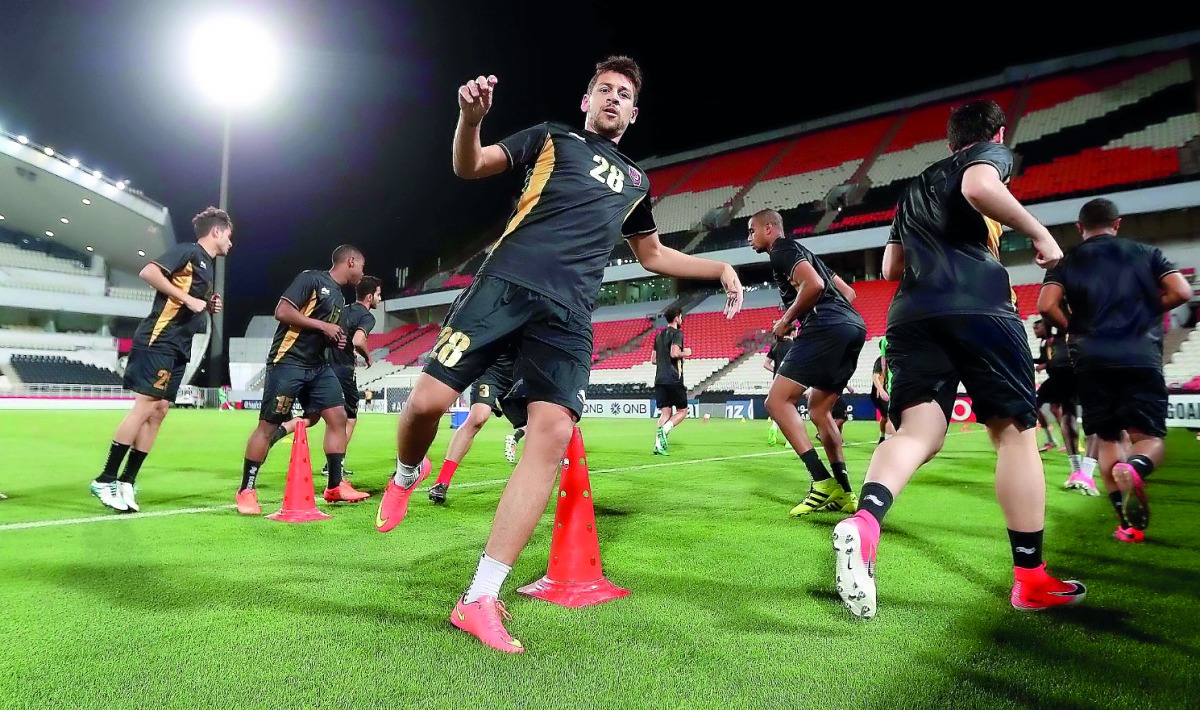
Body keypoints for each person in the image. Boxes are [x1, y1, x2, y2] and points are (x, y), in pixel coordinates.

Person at [375, 57, 743, 653]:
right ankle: (406, 474)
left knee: (550, 435)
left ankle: (480, 598)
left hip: (569, 314)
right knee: (426, 403)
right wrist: (468, 121)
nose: (614, 99)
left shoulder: (637, 183)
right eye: (605, 90)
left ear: (635, 111)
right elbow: (469, 165)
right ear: (586, 99)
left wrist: (719, 265)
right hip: (503, 288)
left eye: (625, 94)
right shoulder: (552, 137)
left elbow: (652, 256)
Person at [831, 100, 1085, 620]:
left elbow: (890, 264)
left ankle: (866, 522)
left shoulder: (914, 187)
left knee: (916, 433)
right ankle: (1030, 578)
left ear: (948, 141)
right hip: (978, 304)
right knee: (1015, 434)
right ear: (994, 133)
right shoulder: (989, 155)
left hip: (911, 315)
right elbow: (978, 188)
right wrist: (1040, 233)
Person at [1038, 198, 1191, 543]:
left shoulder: (1067, 261)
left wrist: (1073, 328)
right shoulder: (1147, 253)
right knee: (1148, 438)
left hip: (1092, 359)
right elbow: (1181, 291)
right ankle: (1135, 467)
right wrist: (1148, 310)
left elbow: (1046, 305)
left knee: (1107, 437)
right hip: (1139, 355)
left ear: (1080, 228)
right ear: (1116, 224)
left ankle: (1128, 525)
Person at [89, 207, 232, 512]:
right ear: (217, 231)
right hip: (159, 339)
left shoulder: (206, 265)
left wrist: (205, 304)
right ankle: (105, 478)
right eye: (229, 236)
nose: (231, 243)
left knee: (160, 409)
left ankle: (127, 480)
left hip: (179, 346)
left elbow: (186, 298)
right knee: (146, 406)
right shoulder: (189, 251)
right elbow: (149, 272)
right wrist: (189, 299)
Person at [748, 209, 865, 517]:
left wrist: (787, 320)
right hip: (853, 326)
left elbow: (812, 285)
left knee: (776, 402)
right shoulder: (808, 252)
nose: (749, 237)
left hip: (826, 328)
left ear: (769, 228)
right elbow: (848, 293)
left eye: (752, 231)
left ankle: (821, 481)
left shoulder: (782, 249)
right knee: (819, 410)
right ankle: (847, 494)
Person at [236, 246, 366, 514]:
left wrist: (336, 337)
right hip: (288, 362)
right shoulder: (312, 279)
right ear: (351, 261)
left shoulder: (340, 297)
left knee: (338, 417)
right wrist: (323, 327)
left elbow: (326, 330)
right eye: (361, 267)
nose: (363, 274)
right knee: (268, 427)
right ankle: (246, 490)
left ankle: (334, 485)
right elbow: (282, 312)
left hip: (317, 366)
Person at [264, 275, 383, 496]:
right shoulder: (366, 316)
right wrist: (368, 356)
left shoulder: (342, 309)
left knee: (314, 416)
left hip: (322, 365)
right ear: (370, 296)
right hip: (342, 371)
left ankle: (281, 431)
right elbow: (358, 340)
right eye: (378, 294)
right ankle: (335, 470)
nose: (379, 298)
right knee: (348, 418)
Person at [428, 349, 526, 505]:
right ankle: (442, 482)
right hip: (491, 371)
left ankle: (561, 469)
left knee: (535, 426)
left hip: (521, 374)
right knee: (478, 417)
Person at [1036, 318, 1093, 493]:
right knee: (1074, 412)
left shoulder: (1060, 335)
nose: (1036, 330)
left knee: (1075, 412)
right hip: (1066, 369)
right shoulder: (1050, 341)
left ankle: (1082, 470)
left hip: (1073, 365)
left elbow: (1046, 308)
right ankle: (1083, 471)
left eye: (1037, 326)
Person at [651, 307, 690, 455]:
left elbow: (653, 360)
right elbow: (674, 353)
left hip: (659, 378)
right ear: (677, 318)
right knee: (682, 410)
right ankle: (665, 430)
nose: (681, 320)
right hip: (673, 378)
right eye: (681, 317)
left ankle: (658, 445)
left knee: (665, 413)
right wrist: (686, 352)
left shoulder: (658, 335)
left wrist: (664, 359)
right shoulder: (677, 333)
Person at [1031, 320, 1063, 453]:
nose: (1035, 331)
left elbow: (1058, 359)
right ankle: (1052, 440)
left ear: (1045, 327)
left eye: (1037, 328)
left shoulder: (1054, 341)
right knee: (1040, 405)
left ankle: (1067, 440)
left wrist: (1044, 366)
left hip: (1060, 378)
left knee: (1057, 408)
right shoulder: (1044, 342)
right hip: (1053, 378)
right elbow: (1044, 359)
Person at [765, 327, 796, 446]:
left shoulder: (775, 345)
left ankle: (774, 426)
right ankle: (789, 440)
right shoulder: (794, 345)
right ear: (792, 332)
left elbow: (766, 364)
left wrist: (777, 371)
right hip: (790, 380)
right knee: (790, 410)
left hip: (776, 381)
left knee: (778, 409)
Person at [869, 340, 894, 444]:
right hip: (880, 394)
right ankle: (888, 441)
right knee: (889, 416)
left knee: (885, 416)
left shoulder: (893, 359)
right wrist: (881, 391)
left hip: (888, 393)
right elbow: (875, 377)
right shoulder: (881, 361)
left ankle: (882, 437)